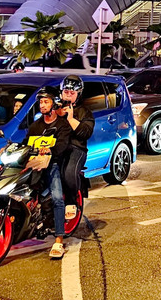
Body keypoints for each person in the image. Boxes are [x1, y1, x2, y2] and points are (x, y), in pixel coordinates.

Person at [25, 86, 71, 258]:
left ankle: (59, 240)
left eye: (46, 102)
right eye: (41, 102)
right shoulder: (35, 126)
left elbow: (62, 146)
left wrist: (50, 150)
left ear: (54, 104)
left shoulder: (62, 125)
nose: (42, 105)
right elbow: (26, 143)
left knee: (58, 198)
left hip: (53, 165)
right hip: (34, 164)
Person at [57, 75, 95, 231]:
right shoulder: (55, 109)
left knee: (68, 172)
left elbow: (85, 132)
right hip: (55, 147)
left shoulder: (84, 112)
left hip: (76, 148)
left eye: (72, 93)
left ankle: (71, 202)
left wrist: (71, 118)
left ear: (79, 94)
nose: (68, 95)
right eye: (66, 92)